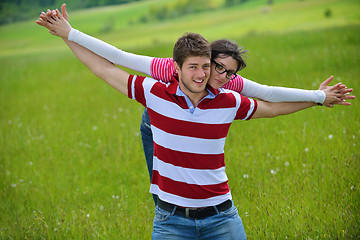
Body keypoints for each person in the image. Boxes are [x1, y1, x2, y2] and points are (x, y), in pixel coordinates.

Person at [36, 8, 353, 239]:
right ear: (182, 66)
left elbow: (269, 100)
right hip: (160, 124)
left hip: (220, 214)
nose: (209, 75)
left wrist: (318, 97)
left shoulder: (229, 93)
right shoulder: (159, 80)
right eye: (205, 66)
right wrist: (69, 34)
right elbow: (110, 62)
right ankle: (167, 202)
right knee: (165, 175)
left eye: (224, 71)